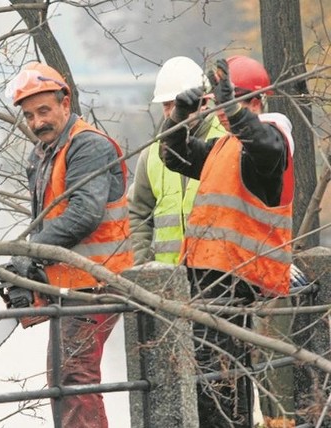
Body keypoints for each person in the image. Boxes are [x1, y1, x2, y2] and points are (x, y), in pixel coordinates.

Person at [159, 55, 295, 428]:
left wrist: (232, 110)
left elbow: (265, 147)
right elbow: (172, 155)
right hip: (208, 282)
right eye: (219, 104)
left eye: (230, 103)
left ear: (255, 102)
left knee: (221, 382)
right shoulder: (224, 147)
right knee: (212, 380)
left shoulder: (271, 140)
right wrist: (178, 119)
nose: (221, 113)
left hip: (236, 286)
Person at [4, 61, 134, 428]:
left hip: (95, 281)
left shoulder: (87, 146)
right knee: (63, 379)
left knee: (75, 377)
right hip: (71, 282)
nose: (37, 122)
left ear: (66, 101)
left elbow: (84, 214)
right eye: (29, 116)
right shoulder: (46, 152)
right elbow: (52, 219)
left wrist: (29, 253)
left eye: (44, 111)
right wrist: (30, 264)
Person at [128, 56, 226, 265]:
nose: (173, 112)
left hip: (218, 277)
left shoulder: (225, 140)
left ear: (203, 102)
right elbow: (137, 214)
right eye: (167, 105)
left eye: (178, 104)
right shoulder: (153, 153)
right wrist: (143, 265)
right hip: (168, 281)